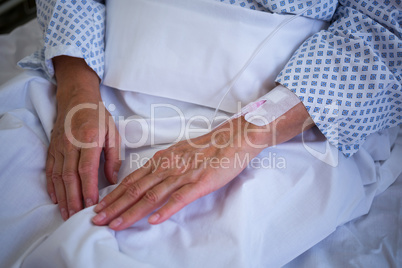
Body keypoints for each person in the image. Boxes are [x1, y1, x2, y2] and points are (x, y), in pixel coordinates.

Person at [19, 0, 401, 231]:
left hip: (282, 116)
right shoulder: (78, 90)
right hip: (92, 73)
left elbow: (384, 31)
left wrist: (244, 135)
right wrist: (76, 91)